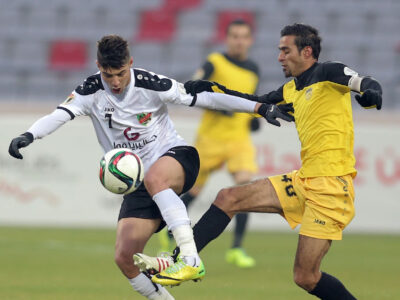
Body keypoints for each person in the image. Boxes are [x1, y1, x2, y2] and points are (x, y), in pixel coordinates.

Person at [8, 35, 294, 298]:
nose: (116, 81)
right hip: (140, 181)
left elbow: (204, 96)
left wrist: (257, 107)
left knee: (156, 178)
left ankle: (190, 259)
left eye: (121, 73)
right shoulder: (90, 90)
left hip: (177, 157)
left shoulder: (151, 83)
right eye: (109, 75)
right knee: (125, 257)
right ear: (99, 67)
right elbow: (60, 114)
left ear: (130, 63)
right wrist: (29, 134)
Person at [134, 23, 382, 299]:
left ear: (307, 51)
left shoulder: (327, 72)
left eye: (286, 51)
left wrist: (371, 91)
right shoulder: (291, 89)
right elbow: (253, 102)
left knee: (306, 277)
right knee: (228, 198)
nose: (280, 57)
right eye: (279, 51)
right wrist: (213, 88)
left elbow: (362, 82)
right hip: (304, 180)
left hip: (332, 188)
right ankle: (183, 260)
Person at [160, 19, 260, 268]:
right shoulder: (215, 62)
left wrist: (253, 120)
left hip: (238, 139)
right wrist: (216, 105)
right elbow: (193, 88)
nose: (239, 40)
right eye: (234, 36)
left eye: (243, 36)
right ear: (227, 39)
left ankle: (237, 248)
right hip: (211, 138)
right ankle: (169, 229)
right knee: (193, 191)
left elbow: (248, 101)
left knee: (244, 187)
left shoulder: (253, 70)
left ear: (250, 40)